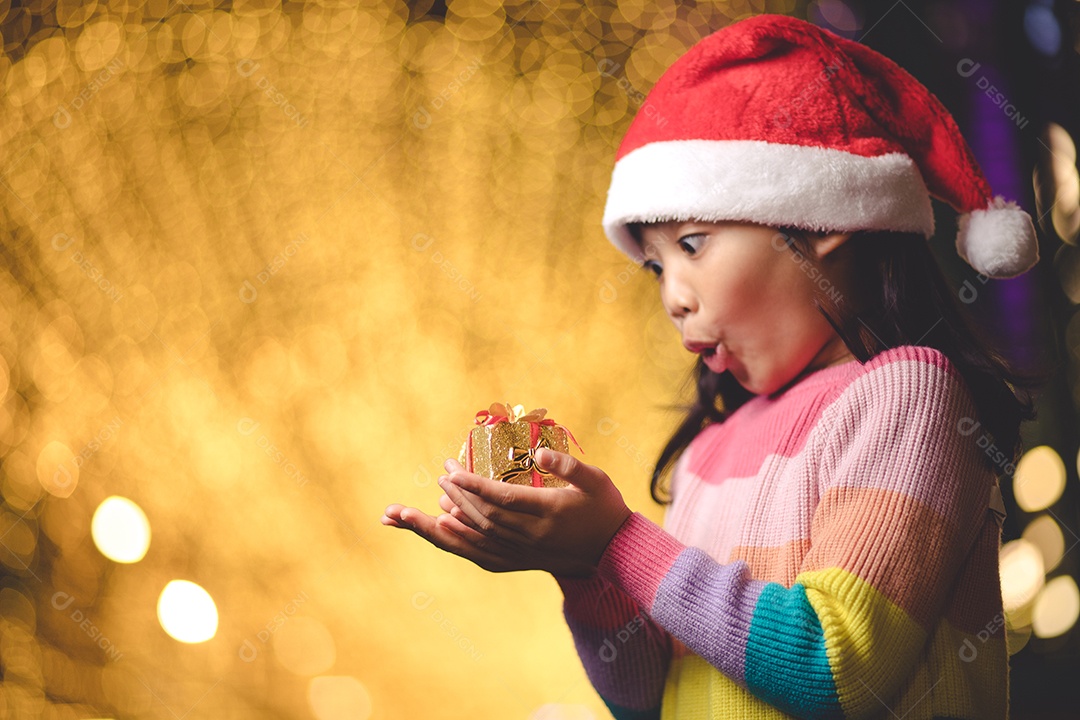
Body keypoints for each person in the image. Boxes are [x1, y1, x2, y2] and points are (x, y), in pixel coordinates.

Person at [381, 14, 1046, 719]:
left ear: (821, 224)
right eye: (654, 267)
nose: (672, 297)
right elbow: (646, 701)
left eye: (693, 244)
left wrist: (618, 539)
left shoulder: (909, 396)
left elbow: (834, 667)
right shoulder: (706, 453)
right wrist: (584, 569)